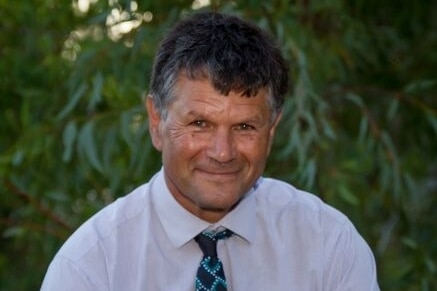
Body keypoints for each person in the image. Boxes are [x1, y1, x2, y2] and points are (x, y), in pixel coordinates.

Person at [41, 11, 379, 290]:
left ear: (272, 130)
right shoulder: (91, 268)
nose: (222, 152)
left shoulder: (328, 245)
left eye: (245, 127)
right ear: (156, 121)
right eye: (200, 124)